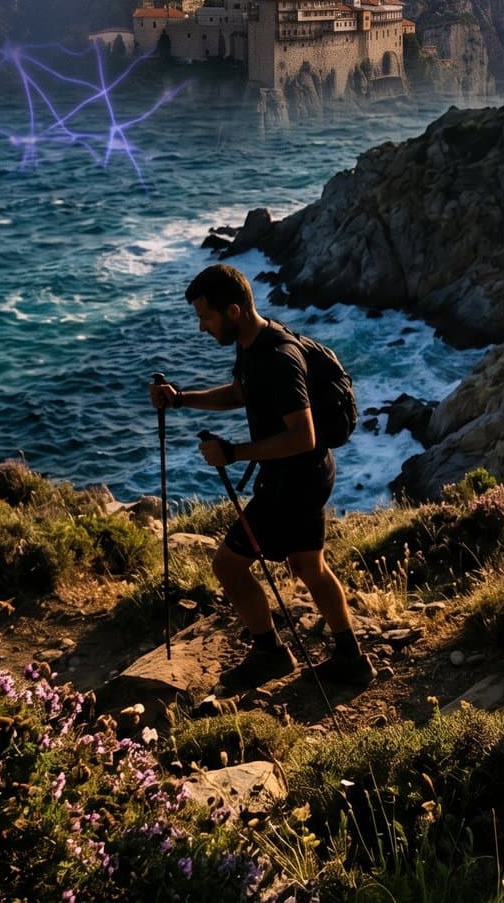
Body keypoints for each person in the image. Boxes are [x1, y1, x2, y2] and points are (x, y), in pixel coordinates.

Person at [148, 264, 371, 691]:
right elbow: (239, 393)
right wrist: (181, 400)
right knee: (308, 564)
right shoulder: (254, 341)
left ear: (232, 311)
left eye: (206, 318)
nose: (201, 328)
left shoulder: (276, 358)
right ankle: (351, 658)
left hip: (292, 481)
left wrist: (233, 453)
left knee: (228, 566)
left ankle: (269, 653)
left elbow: (302, 436)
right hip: (308, 474)